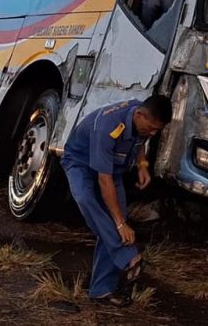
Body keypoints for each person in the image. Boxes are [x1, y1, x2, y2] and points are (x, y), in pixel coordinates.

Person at [60, 94, 173, 306]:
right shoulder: (108, 126)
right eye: (151, 128)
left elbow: (140, 142)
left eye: (157, 129)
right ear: (139, 115)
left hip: (113, 170)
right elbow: (104, 181)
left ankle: (101, 290)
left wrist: (142, 165)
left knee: (113, 226)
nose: (153, 133)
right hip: (80, 162)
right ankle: (127, 257)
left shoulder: (143, 120)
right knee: (88, 200)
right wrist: (121, 223)